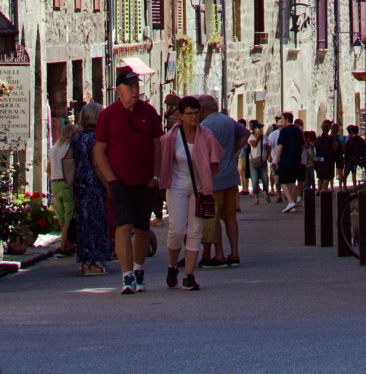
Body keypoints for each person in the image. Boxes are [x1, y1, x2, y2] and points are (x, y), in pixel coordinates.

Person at [93, 67, 163, 294]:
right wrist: (111, 179)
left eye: (137, 87)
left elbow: (156, 145)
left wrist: (155, 176)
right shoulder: (108, 115)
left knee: (142, 228)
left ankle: (139, 268)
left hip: (144, 182)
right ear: (119, 91)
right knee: (122, 227)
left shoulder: (148, 112)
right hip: (119, 182)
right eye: (130, 88)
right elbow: (99, 151)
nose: (135, 92)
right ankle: (126, 277)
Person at [157, 95, 223, 291]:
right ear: (181, 116)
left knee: (195, 232)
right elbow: (163, 159)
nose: (193, 117)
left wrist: (208, 180)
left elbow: (216, 158)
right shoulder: (171, 137)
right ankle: (171, 266)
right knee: (177, 230)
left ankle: (189, 275)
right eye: (189, 114)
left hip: (201, 189)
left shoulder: (207, 135)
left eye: (196, 113)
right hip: (177, 185)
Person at [198, 95, 249, 265]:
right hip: (231, 176)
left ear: (202, 109)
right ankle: (235, 254)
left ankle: (218, 254)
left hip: (215, 177)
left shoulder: (204, 126)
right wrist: (233, 151)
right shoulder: (228, 120)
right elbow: (245, 133)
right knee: (230, 216)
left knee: (214, 217)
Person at [70, 102, 113, 274]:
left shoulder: (78, 137)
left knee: (83, 223)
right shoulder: (96, 138)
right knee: (96, 222)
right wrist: (108, 184)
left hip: (79, 184)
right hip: (93, 185)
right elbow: (97, 163)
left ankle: (86, 261)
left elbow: (68, 158)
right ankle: (91, 262)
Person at [49, 120, 76, 257]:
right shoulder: (70, 148)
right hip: (66, 184)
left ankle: (69, 244)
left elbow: (49, 168)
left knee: (61, 218)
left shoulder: (54, 148)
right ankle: (63, 246)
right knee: (68, 217)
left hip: (55, 183)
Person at [274, 111, 304, 212]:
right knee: (292, 182)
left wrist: (276, 159)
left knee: (283, 181)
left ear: (287, 119)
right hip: (296, 160)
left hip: (286, 160)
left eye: (282, 119)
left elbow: (280, 147)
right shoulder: (298, 131)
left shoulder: (284, 131)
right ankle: (293, 204)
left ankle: (290, 202)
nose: (281, 121)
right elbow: (302, 146)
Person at [247, 122, 269, 200]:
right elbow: (254, 145)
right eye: (258, 129)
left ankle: (266, 194)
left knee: (265, 178)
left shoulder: (264, 137)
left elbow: (267, 147)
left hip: (262, 159)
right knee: (255, 179)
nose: (260, 130)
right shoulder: (251, 137)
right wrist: (258, 138)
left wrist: (267, 156)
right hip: (253, 160)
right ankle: (256, 196)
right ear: (254, 130)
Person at [263, 115, 283, 198]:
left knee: (283, 178)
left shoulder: (285, 133)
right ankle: (278, 194)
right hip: (275, 158)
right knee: (276, 177)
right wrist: (269, 155)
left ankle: (282, 194)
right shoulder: (272, 133)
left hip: (282, 159)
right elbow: (268, 145)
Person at [314, 121, 337, 189]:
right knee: (326, 177)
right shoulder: (331, 139)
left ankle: (319, 189)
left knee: (320, 177)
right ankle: (323, 191)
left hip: (320, 160)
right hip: (328, 160)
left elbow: (316, 149)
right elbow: (335, 149)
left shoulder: (318, 139)